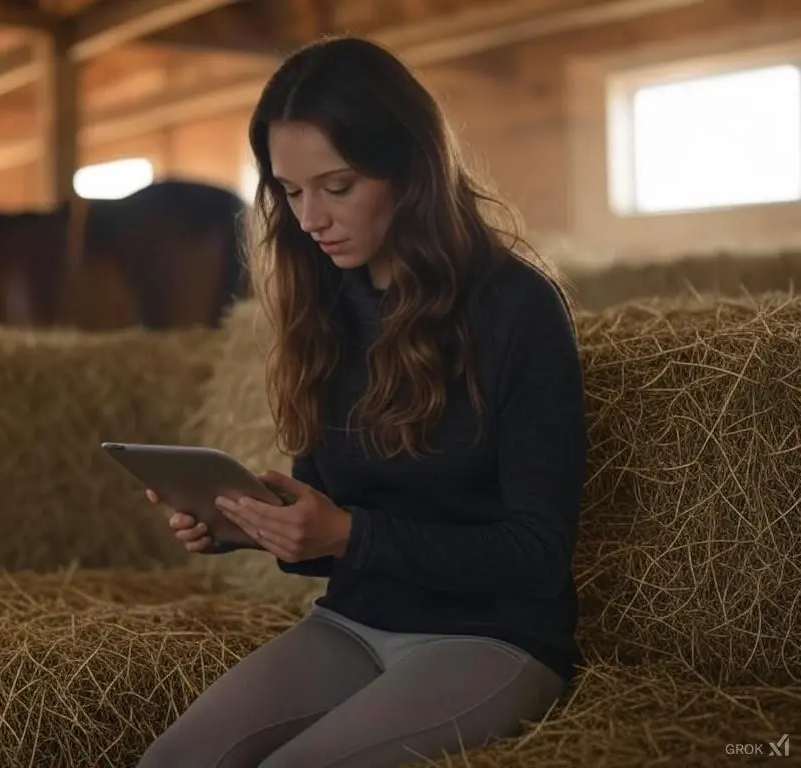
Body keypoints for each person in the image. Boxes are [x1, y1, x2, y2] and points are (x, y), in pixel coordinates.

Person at [136, 33, 587, 768]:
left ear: (410, 170)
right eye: (289, 190)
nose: (309, 217)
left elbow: (537, 554)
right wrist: (255, 526)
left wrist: (349, 535)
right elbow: (332, 521)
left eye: (336, 186)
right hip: (352, 623)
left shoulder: (518, 307)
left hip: (491, 636)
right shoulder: (327, 307)